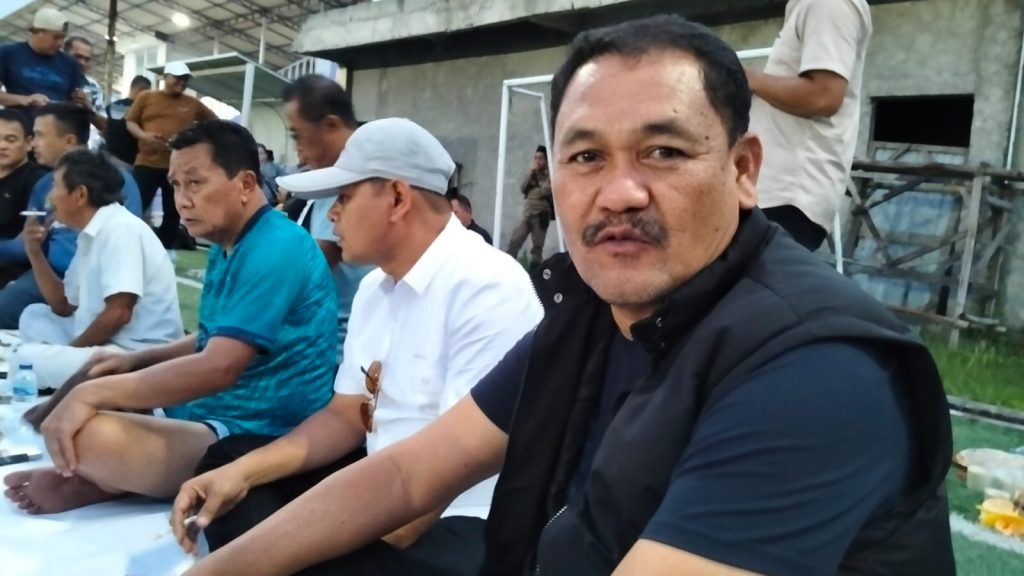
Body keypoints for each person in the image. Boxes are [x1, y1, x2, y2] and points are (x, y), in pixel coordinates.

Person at [177, 15, 954, 576]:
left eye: (663, 151)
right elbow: (409, 473)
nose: (618, 192)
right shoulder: (590, 317)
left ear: (745, 170)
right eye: (585, 157)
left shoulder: (813, 371)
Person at [173, 118, 543, 574]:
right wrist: (243, 473)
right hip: (381, 481)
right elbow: (347, 416)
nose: (332, 214)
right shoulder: (375, 288)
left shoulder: (488, 287)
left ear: (398, 198)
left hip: (459, 513)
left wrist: (320, 538)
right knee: (229, 464)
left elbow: (450, 469)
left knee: (310, 555)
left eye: (344, 197)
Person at [2, 120, 338, 515]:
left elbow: (220, 367)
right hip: (209, 406)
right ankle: (111, 476)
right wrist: (138, 361)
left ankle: (107, 479)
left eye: (194, 183)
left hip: (257, 429)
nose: (182, 200)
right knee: (99, 375)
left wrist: (94, 392)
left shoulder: (276, 246)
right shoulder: (230, 241)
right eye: (175, 185)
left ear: (246, 184)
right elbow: (212, 335)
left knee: (91, 433)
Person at [11, 149, 182, 391]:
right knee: (34, 316)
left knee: (24, 359)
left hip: (136, 355)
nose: (50, 197)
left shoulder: (121, 229)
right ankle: (68, 373)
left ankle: (75, 377)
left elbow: (119, 313)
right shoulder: (91, 233)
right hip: (107, 344)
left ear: (80, 194)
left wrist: (70, 353)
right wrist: (34, 252)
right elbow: (63, 305)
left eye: (55, 186)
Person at [0, 103, 142, 329]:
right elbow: (26, 242)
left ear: (68, 140)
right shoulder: (44, 183)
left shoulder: (114, 178)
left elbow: (127, 243)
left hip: (100, 282)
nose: (33, 143)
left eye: (39, 135)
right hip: (51, 274)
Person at [746, 0, 872, 251]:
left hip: (788, 195)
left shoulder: (826, 3)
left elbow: (824, 96)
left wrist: (747, 78)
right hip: (779, 194)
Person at [281, 75, 373, 364]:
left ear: (330, 125)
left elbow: (316, 261)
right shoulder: (341, 168)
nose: (296, 147)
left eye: (297, 135)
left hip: (339, 349)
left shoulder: (354, 169)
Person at [125, 60, 219, 249]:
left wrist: (191, 139)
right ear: (165, 77)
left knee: (173, 210)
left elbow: (215, 123)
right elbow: (130, 122)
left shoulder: (192, 104)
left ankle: (165, 249)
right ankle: (127, 243)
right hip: (147, 162)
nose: (182, 82)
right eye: (177, 78)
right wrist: (144, 135)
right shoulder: (146, 97)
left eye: (185, 79)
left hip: (177, 167)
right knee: (136, 204)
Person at [0, 7, 83, 118]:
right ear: (38, 32)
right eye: (56, 37)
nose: (60, 43)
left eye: (63, 38)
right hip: (22, 124)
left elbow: (75, 103)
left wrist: (81, 100)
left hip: (56, 126)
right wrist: (25, 99)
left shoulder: (70, 63)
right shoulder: (8, 53)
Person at [0, 109, 49, 286]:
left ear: (29, 143)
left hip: (15, 270)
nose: (2, 146)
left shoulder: (39, 180)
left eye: (10, 139)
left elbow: (29, 239)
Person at [505, 145, 552, 269]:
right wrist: (530, 173)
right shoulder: (532, 174)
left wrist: (532, 193)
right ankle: (507, 267)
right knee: (515, 240)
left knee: (537, 246)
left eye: (540, 158)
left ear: (546, 160)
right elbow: (522, 188)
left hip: (541, 214)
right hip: (528, 214)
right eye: (535, 158)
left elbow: (545, 191)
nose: (537, 161)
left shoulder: (550, 174)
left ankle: (534, 272)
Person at [63, 36, 107, 141]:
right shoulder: (52, 78)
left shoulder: (93, 86)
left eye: (87, 59)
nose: (82, 62)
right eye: (77, 57)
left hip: (77, 145)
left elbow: (104, 126)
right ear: (63, 55)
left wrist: (87, 107)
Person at [104, 75, 151, 165]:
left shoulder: (113, 106)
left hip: (110, 157)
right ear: (142, 91)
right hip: (129, 159)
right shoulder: (141, 110)